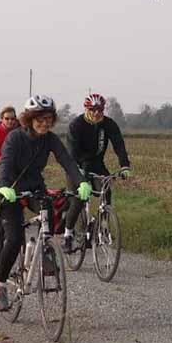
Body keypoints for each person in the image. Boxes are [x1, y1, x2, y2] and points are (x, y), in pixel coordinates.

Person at [0, 95, 91, 311]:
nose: (44, 123)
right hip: (10, 191)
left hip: (35, 188)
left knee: (52, 212)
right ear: (28, 119)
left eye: (48, 119)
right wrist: (4, 186)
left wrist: (81, 182)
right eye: (40, 119)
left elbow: (67, 161)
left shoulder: (51, 139)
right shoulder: (15, 138)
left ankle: (45, 250)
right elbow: (5, 163)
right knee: (15, 237)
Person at [62, 92, 132, 252]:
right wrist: (79, 174)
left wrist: (124, 166)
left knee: (105, 192)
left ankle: (102, 226)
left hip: (97, 164)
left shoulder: (109, 124)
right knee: (79, 199)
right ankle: (68, 235)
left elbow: (119, 145)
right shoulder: (76, 125)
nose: (96, 113)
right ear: (86, 109)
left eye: (99, 110)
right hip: (76, 165)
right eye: (92, 110)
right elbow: (72, 152)